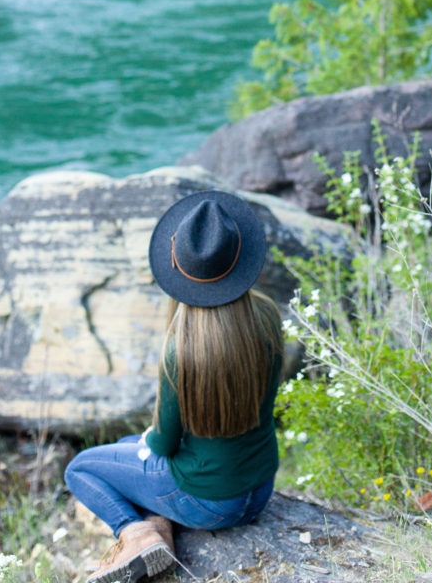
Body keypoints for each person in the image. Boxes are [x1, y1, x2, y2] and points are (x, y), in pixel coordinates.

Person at [64, 189, 284, 583]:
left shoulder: (181, 352)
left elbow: (164, 445)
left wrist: (152, 438)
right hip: (259, 489)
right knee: (128, 444)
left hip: (208, 503)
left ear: (179, 269)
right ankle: (159, 527)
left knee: (81, 468)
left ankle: (137, 533)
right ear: (238, 258)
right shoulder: (267, 318)